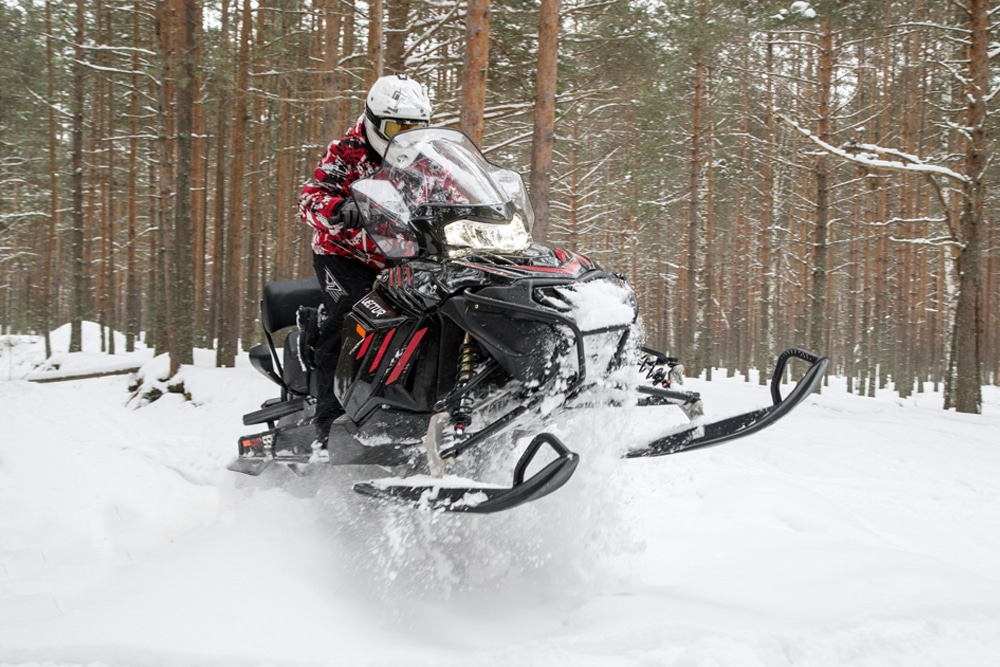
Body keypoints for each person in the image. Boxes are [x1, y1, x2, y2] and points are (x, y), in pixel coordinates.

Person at [297, 73, 432, 451]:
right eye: (395, 127)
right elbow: (311, 198)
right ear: (373, 122)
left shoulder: (427, 160)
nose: (405, 136)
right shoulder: (345, 151)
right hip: (345, 256)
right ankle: (326, 426)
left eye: (415, 128)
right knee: (354, 316)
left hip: (404, 257)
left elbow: (454, 190)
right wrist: (339, 208)